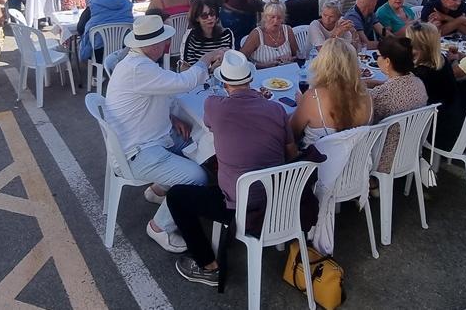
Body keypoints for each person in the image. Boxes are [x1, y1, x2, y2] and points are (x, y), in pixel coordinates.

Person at [165, 50, 296, 286]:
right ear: (250, 79)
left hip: (238, 204)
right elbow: (291, 153)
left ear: (225, 82)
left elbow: (209, 124)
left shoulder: (215, 106)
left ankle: (207, 265)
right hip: (279, 197)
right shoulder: (276, 110)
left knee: (176, 196)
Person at [105, 15, 225, 252]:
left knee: (199, 140)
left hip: (145, 139)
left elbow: (154, 94)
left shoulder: (137, 63)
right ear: (151, 46)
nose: (166, 45)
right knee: (198, 177)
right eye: (162, 41)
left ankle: (159, 190)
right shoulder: (139, 69)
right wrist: (206, 59)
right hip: (137, 153)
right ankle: (159, 226)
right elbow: (183, 82)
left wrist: (172, 116)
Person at [405, 21, 466, 150]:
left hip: (437, 131)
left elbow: (401, 89)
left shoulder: (422, 73)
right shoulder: (441, 60)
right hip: (453, 120)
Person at [290, 38, 373, 148]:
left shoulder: (313, 98)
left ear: (322, 63)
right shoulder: (366, 95)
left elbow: (291, 133)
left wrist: (302, 105)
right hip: (358, 161)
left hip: (319, 162)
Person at [368, 35, 428, 173]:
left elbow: (364, 120)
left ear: (387, 61)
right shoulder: (417, 82)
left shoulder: (383, 94)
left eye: (377, 56)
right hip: (411, 149)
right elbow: (396, 87)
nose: (376, 59)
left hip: (386, 156)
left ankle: (371, 183)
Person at [240, 1, 299, 68]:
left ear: (283, 19)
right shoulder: (256, 34)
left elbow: (298, 55)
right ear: (264, 17)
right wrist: (264, 65)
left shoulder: (288, 30)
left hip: (285, 72)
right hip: (261, 74)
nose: (275, 21)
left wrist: (290, 58)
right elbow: (240, 59)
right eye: (272, 17)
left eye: (279, 17)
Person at [180, 0, 234, 68]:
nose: (210, 18)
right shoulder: (191, 37)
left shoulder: (226, 34)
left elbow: (230, 61)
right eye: (204, 16)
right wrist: (210, 69)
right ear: (197, 18)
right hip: (198, 77)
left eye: (212, 13)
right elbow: (188, 68)